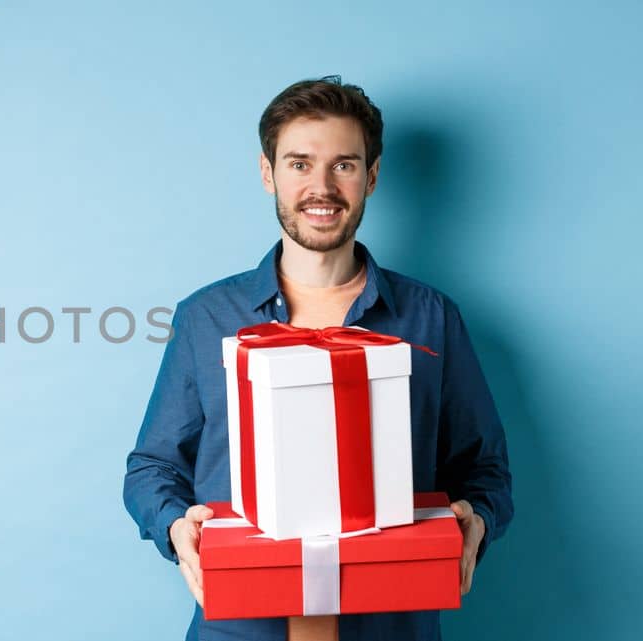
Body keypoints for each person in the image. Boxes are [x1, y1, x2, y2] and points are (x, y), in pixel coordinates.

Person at [122, 76, 514, 641]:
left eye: (344, 165)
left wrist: (478, 519)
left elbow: (485, 470)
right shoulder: (207, 318)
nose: (321, 187)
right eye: (300, 164)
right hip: (242, 626)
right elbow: (152, 467)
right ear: (269, 174)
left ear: (371, 177)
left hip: (391, 624)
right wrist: (174, 527)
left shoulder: (431, 319)